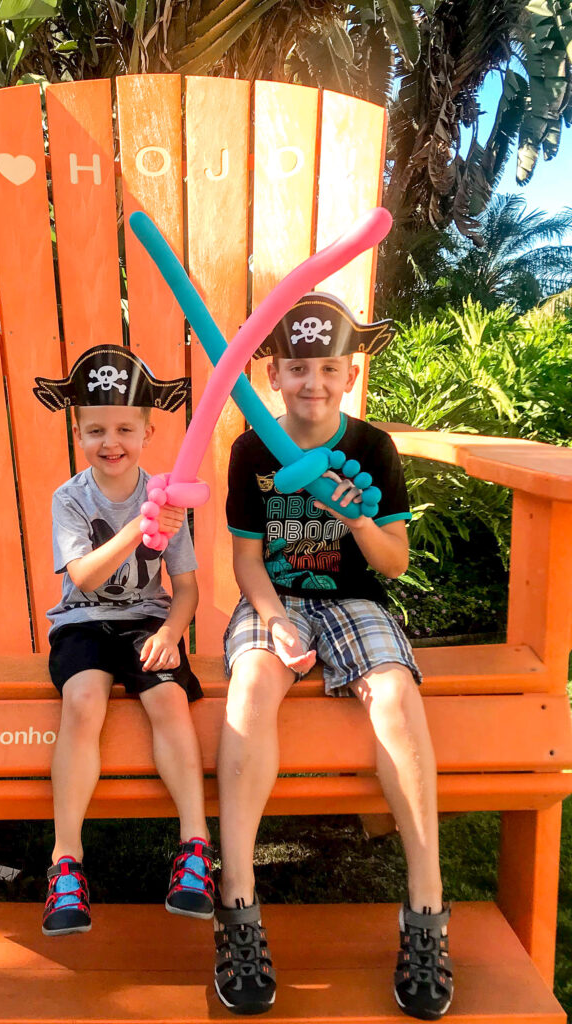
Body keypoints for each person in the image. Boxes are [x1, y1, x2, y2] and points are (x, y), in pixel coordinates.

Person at [213, 294, 453, 1019]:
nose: (311, 382)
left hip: (356, 603)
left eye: (326, 368)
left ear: (349, 374)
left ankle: (426, 910)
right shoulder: (251, 449)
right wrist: (274, 617)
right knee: (252, 681)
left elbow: (395, 563)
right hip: (275, 601)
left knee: (393, 690)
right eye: (296, 369)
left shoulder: (371, 448)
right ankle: (238, 905)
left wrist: (354, 514)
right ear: (274, 375)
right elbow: (248, 563)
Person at [33, 344, 214, 935]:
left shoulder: (170, 498)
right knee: (82, 703)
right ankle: (66, 863)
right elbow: (83, 575)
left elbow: (185, 588)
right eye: (95, 430)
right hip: (82, 622)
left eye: (124, 429)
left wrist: (170, 631)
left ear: (147, 431)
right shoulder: (69, 498)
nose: (111, 441)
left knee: (168, 700)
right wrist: (141, 524)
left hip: (146, 622)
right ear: (78, 433)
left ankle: (195, 848)